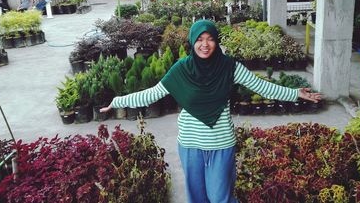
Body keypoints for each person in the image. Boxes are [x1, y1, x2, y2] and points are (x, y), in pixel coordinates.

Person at [100, 20, 322, 203]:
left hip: (220, 143)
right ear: (192, 42)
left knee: (220, 198)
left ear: (216, 41)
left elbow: (262, 86)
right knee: (197, 198)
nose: (204, 44)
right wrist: (118, 101)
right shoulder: (182, 69)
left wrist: (295, 94)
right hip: (190, 144)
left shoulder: (230, 67)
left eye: (210, 39)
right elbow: (152, 93)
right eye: (199, 39)